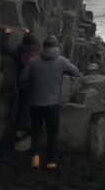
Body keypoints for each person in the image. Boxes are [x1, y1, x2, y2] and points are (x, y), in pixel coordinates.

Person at [21, 35, 80, 170]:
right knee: (52, 133)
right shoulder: (61, 61)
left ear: (44, 46)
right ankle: (51, 162)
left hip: (35, 103)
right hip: (52, 104)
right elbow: (76, 72)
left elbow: (23, 79)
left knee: (36, 131)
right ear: (56, 46)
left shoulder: (33, 61)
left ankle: (35, 157)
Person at [4, 27, 40, 139]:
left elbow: (5, 48)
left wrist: (6, 34)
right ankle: (32, 130)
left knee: (22, 108)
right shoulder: (38, 51)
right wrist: (29, 32)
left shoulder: (19, 53)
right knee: (34, 107)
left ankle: (18, 131)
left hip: (23, 84)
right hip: (37, 84)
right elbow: (37, 42)